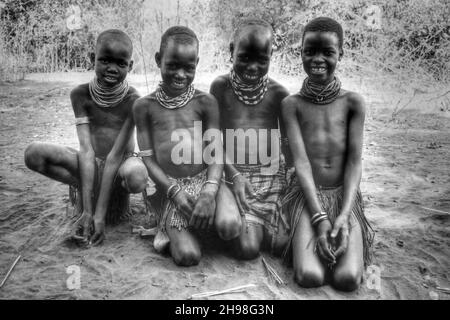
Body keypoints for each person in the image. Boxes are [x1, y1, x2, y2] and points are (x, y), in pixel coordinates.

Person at [24, 29, 148, 246]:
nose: (112, 68)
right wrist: (88, 213)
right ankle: (84, 190)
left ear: (130, 66)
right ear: (93, 59)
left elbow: (114, 157)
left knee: (137, 176)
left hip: (120, 165)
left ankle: (103, 201)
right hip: (88, 161)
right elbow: (86, 149)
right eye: (105, 60)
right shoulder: (80, 95)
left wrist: (99, 216)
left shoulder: (134, 100)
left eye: (120, 63)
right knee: (33, 154)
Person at [133, 26, 241, 266]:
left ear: (197, 64)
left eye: (188, 68)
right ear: (158, 60)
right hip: (171, 187)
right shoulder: (144, 107)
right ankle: (166, 216)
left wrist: (210, 192)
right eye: (172, 66)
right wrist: (175, 193)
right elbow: (148, 159)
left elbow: (215, 153)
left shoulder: (206, 102)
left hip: (207, 179)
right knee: (187, 256)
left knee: (231, 227)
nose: (180, 74)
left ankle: (206, 219)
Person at [281, 17, 374, 291]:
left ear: (341, 54)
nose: (317, 59)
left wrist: (344, 216)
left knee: (348, 279)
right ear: (300, 53)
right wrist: (320, 218)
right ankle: (303, 235)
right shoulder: (291, 105)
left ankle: (349, 236)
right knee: (310, 277)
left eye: (328, 52)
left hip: (344, 197)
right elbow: (300, 162)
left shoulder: (353, 103)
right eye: (309, 51)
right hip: (307, 197)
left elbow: (355, 164)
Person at [210, 18, 290, 260]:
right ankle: (231, 219)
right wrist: (233, 175)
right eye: (244, 58)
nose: (252, 67)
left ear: (271, 56)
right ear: (231, 51)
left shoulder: (278, 94)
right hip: (232, 174)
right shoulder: (220, 88)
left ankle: (260, 225)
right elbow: (213, 141)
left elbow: (287, 144)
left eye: (262, 60)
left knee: (282, 246)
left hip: (270, 177)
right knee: (248, 249)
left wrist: (290, 180)